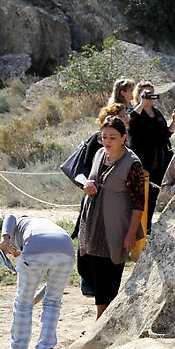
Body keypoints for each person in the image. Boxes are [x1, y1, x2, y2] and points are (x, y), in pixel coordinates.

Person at [76, 115, 146, 319]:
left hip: (115, 226)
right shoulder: (99, 154)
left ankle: (102, 319)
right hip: (91, 222)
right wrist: (86, 186)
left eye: (112, 137)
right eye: (104, 137)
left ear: (124, 137)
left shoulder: (133, 164)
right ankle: (106, 313)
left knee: (107, 273)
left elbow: (138, 203)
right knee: (85, 265)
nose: (107, 142)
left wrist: (131, 234)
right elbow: (90, 178)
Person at [66, 102, 130, 297]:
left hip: (113, 212)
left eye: (125, 115)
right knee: (86, 251)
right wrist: (85, 184)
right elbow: (79, 171)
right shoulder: (97, 143)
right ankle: (89, 284)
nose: (126, 118)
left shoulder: (126, 147)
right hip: (92, 203)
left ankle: (100, 294)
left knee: (106, 260)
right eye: (121, 115)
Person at [0, 214, 75, 349]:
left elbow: (10, 216)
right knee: (53, 302)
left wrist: (5, 240)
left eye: (12, 251)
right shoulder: (43, 224)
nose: (13, 253)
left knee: (22, 303)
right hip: (67, 251)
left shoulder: (19, 225)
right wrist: (36, 299)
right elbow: (49, 286)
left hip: (36, 249)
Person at [128, 80, 175, 231]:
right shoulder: (137, 111)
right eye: (146, 93)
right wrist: (142, 103)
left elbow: (166, 134)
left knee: (153, 196)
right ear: (139, 95)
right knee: (139, 197)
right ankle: (136, 229)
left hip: (159, 160)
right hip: (143, 160)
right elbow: (132, 121)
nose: (150, 96)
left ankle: (147, 227)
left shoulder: (156, 113)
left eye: (151, 92)